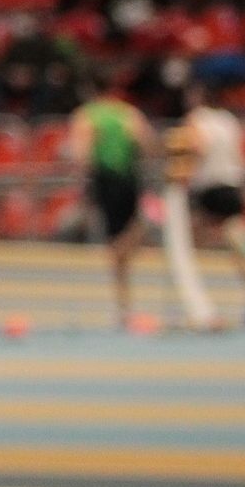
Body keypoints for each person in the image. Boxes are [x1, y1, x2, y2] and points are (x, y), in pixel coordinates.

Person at [176, 84, 245, 327]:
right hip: (233, 184)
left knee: (186, 238)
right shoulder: (229, 120)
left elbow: (198, 147)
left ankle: (196, 300)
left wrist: (184, 171)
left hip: (210, 186)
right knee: (236, 234)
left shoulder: (197, 118)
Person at [69, 75, 157, 328]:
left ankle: (124, 304)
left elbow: (80, 152)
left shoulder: (88, 115)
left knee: (115, 243)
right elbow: (148, 144)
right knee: (125, 237)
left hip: (106, 181)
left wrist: (82, 183)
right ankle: (124, 300)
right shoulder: (128, 113)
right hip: (130, 180)